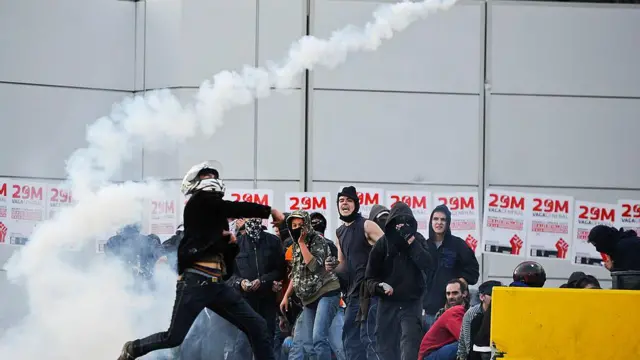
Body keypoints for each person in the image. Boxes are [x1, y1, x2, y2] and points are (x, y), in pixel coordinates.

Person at [117, 161, 285, 360]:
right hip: (194, 284)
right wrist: (270, 211)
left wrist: (228, 246)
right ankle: (133, 349)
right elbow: (230, 207)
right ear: (195, 182)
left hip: (217, 286)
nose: (212, 179)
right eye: (206, 176)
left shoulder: (213, 215)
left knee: (257, 326)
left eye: (214, 175)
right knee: (174, 338)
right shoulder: (198, 203)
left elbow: (225, 261)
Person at [364, 202, 434, 360]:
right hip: (387, 304)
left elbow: (428, 264)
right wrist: (379, 287)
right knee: (385, 347)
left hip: (411, 303)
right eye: (398, 222)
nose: (401, 226)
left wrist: (411, 243)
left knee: (409, 345)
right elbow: (369, 278)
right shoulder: (382, 244)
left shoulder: (418, 240)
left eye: (405, 222)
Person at [327, 186, 384, 360]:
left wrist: (380, 281)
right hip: (352, 295)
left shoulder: (367, 225)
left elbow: (389, 251)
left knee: (368, 339)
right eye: (341, 200)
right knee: (350, 341)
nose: (345, 203)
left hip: (370, 293)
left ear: (356, 204)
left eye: (349, 200)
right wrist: (331, 267)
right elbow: (342, 265)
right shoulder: (339, 232)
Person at [280, 210, 342, 360]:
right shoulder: (294, 247)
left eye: (300, 225)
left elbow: (314, 266)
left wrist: (302, 243)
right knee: (307, 344)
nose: (297, 229)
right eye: (293, 225)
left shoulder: (318, 241)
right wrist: (286, 296)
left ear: (307, 225)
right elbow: (296, 274)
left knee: (319, 338)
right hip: (308, 298)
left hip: (326, 292)